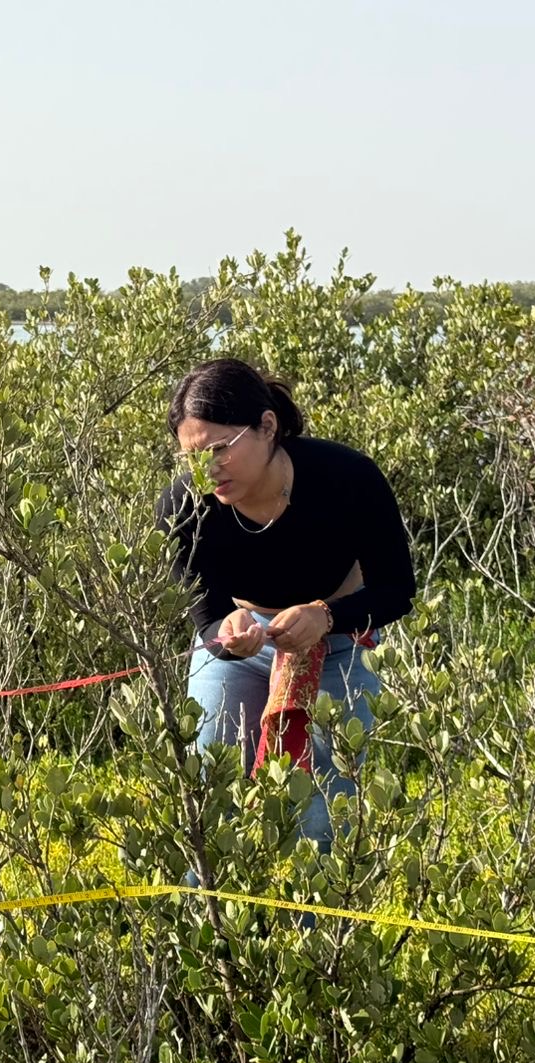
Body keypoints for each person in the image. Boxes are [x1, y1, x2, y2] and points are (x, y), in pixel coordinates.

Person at [156, 357, 414, 851]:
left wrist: (327, 616)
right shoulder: (183, 505)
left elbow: (397, 588)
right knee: (209, 800)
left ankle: (309, 924)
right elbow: (203, 609)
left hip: (338, 643)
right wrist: (224, 633)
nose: (207, 470)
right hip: (240, 647)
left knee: (324, 818)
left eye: (219, 450)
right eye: (191, 457)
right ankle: (211, 922)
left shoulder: (348, 477)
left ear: (267, 426)